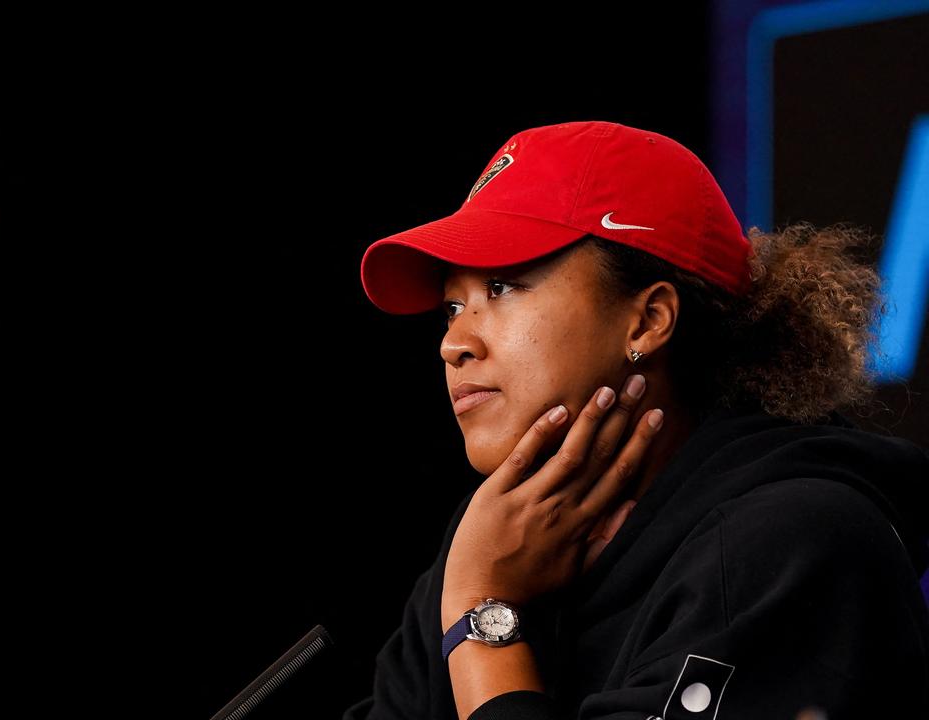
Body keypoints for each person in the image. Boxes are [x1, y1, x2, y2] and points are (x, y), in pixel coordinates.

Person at [343, 120, 929, 720]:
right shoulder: (490, 546)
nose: (454, 344)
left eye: (503, 286)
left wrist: (483, 620)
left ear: (649, 320)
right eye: (452, 306)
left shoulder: (795, 544)